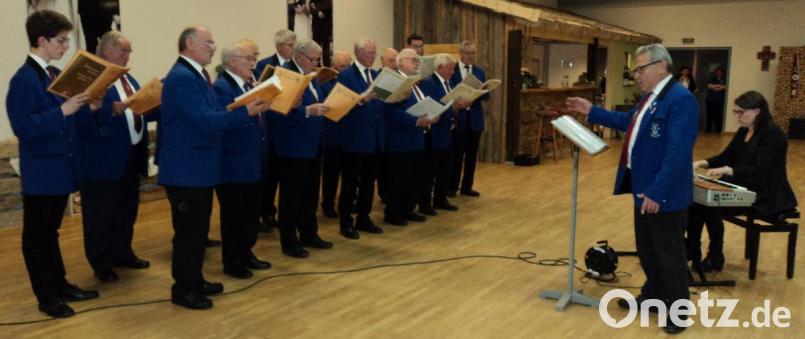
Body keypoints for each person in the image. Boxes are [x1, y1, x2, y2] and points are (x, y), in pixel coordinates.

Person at [566, 43, 699, 334]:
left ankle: (678, 310)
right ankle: (653, 295)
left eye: (641, 68)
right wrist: (593, 111)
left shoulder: (680, 99)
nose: (636, 74)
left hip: (662, 194)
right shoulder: (650, 97)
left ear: (662, 67)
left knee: (670, 253)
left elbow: (678, 153)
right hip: (643, 188)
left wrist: (657, 192)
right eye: (635, 69)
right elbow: (630, 123)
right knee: (648, 250)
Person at [158, 26, 270, 310]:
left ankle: (194, 280)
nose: (212, 47)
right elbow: (206, 120)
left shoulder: (197, 74)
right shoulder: (183, 77)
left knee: (197, 231)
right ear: (190, 44)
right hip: (187, 169)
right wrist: (246, 111)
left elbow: (213, 115)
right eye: (208, 42)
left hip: (198, 167)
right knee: (188, 233)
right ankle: (184, 289)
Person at [7, 9, 101, 318]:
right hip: (42, 172)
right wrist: (62, 111)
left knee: (51, 233)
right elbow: (24, 126)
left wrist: (89, 105)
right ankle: (46, 297)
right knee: (37, 237)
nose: (65, 47)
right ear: (42, 40)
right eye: (61, 41)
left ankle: (59, 284)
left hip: (60, 169)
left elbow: (72, 117)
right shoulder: (23, 79)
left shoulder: (54, 75)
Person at [687, 90, 798, 272]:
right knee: (696, 201)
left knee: (709, 206)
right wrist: (700, 163)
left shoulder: (773, 134)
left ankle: (715, 255)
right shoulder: (744, 130)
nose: (737, 117)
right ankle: (692, 250)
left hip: (765, 193)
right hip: (741, 185)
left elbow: (761, 171)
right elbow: (726, 156)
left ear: (756, 111)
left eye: (741, 112)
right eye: (736, 112)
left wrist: (728, 170)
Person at [77, 31, 154, 284]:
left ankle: (123, 253)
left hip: (129, 155)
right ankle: (101, 263)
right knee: (100, 215)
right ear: (106, 50)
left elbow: (134, 109)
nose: (128, 55)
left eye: (129, 51)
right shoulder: (91, 76)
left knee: (126, 209)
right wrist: (112, 110)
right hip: (102, 159)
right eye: (123, 50)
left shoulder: (126, 77)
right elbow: (81, 120)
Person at [212, 41, 273, 280]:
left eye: (253, 58)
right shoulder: (222, 87)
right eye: (248, 59)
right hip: (233, 163)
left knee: (250, 213)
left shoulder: (251, 84)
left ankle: (247, 253)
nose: (253, 63)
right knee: (234, 215)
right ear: (232, 61)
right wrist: (249, 108)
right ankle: (232, 261)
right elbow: (224, 122)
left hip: (253, 158)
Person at [274, 39, 333, 258]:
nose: (316, 62)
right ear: (298, 56)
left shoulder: (311, 76)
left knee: (310, 193)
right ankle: (289, 241)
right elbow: (278, 112)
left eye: (318, 58)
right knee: (291, 197)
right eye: (313, 59)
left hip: (313, 144)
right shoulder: (286, 76)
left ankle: (309, 233)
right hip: (292, 146)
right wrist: (308, 111)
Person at [336, 37, 385, 239]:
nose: (372, 56)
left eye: (374, 53)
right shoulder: (346, 75)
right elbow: (341, 104)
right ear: (357, 53)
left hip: (373, 136)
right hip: (354, 137)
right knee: (350, 183)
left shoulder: (376, 75)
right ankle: (346, 222)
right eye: (368, 52)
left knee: (368, 182)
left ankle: (364, 218)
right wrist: (360, 100)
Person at [383, 48, 435, 226]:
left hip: (416, 138)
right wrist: (415, 121)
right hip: (399, 138)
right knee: (398, 178)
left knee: (414, 177)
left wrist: (431, 115)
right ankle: (393, 213)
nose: (417, 63)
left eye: (417, 60)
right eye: (413, 60)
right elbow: (390, 111)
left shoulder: (415, 83)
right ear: (400, 62)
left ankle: (408, 209)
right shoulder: (392, 80)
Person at [254, 29, 297, 233]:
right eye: (290, 44)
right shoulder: (266, 65)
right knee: (268, 175)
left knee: (282, 174)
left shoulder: (295, 67)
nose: (293, 47)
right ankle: (264, 211)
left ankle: (273, 212)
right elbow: (260, 92)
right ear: (280, 46)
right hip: (270, 125)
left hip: (287, 128)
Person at [419, 53, 470, 213]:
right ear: (440, 67)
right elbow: (433, 105)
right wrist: (454, 107)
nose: (453, 72)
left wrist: (457, 106)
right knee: (430, 171)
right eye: (450, 68)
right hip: (435, 133)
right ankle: (425, 203)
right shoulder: (429, 83)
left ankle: (441, 199)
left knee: (445, 168)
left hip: (448, 132)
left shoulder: (448, 83)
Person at [449, 40, 487, 198]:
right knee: (456, 155)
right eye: (469, 53)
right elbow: (448, 91)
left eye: (473, 53)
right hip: (459, 117)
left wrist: (482, 91)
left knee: (472, 156)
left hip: (475, 118)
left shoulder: (479, 72)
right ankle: (452, 187)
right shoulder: (452, 70)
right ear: (461, 53)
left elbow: (487, 95)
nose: (471, 57)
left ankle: (467, 186)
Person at [320, 50, 352, 219]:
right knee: (331, 173)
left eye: (348, 65)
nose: (345, 69)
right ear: (333, 67)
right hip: (332, 134)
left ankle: (346, 203)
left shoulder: (351, 81)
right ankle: (328, 204)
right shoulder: (324, 83)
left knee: (348, 173)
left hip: (348, 134)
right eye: (341, 66)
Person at [705, 66, 727, 133]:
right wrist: (719, 86)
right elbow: (709, 86)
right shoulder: (712, 78)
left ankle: (718, 130)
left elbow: (725, 87)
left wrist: (715, 87)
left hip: (719, 101)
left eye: (720, 72)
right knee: (709, 115)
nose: (719, 73)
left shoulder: (725, 79)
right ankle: (708, 130)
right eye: (717, 72)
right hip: (710, 100)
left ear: (722, 73)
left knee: (718, 116)